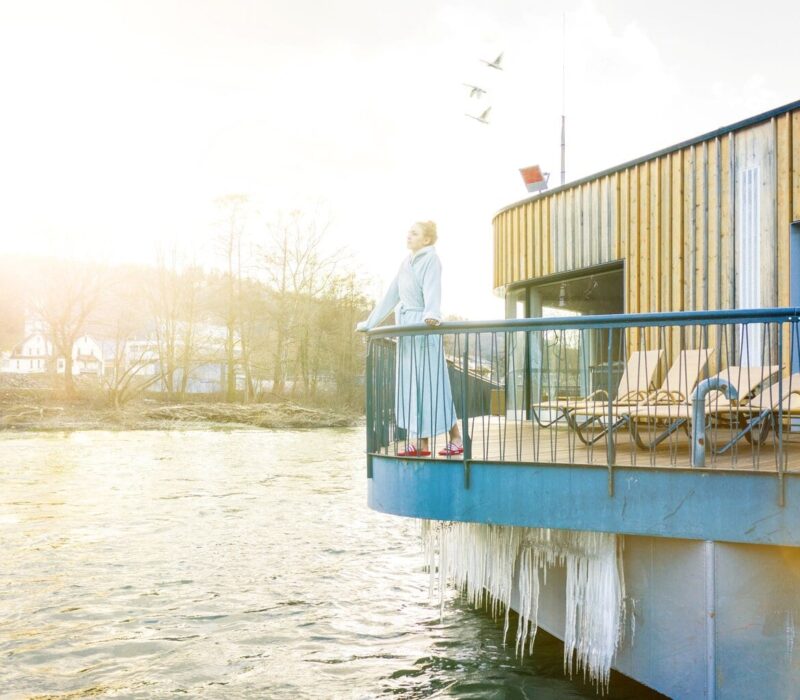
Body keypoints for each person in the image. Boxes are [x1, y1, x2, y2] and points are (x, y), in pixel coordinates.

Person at [357, 221, 463, 457]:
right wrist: (370, 323)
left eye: (414, 233)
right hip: (407, 330)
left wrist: (432, 315)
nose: (409, 235)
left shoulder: (431, 260)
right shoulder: (405, 263)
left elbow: (434, 290)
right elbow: (391, 296)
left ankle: (456, 437)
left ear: (426, 240)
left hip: (424, 327)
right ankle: (421, 443)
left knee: (432, 385)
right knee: (412, 386)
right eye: (409, 232)